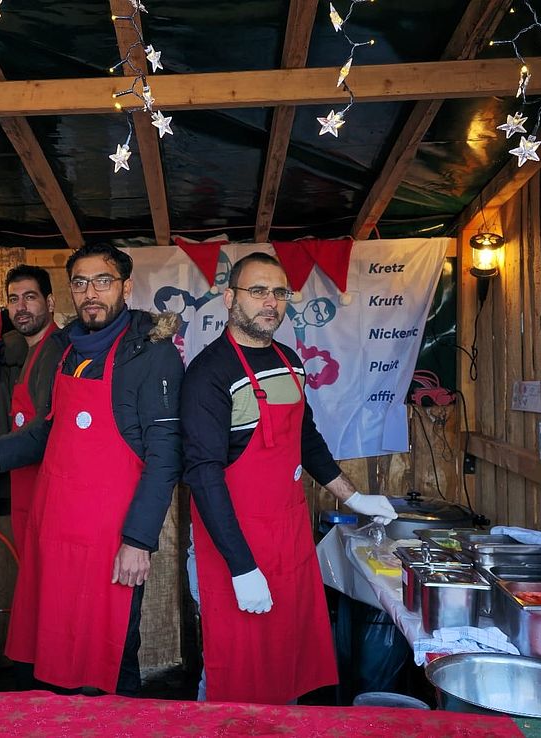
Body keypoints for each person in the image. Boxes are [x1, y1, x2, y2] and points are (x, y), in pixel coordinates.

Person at [0, 243, 184, 697]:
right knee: (53, 656)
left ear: (126, 286)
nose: (90, 293)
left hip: (111, 540)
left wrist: (138, 541)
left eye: (103, 281)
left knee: (108, 655)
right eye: (80, 283)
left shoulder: (151, 354)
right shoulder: (66, 348)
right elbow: (48, 431)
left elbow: (164, 457)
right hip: (56, 535)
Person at [181, 251, 397, 705]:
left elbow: (307, 439)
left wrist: (355, 499)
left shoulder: (290, 360)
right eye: (257, 291)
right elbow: (203, 477)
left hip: (288, 539)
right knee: (231, 670)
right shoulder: (209, 374)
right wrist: (241, 569)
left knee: (286, 661)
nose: (270, 302)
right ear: (229, 298)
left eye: (279, 292)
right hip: (232, 547)